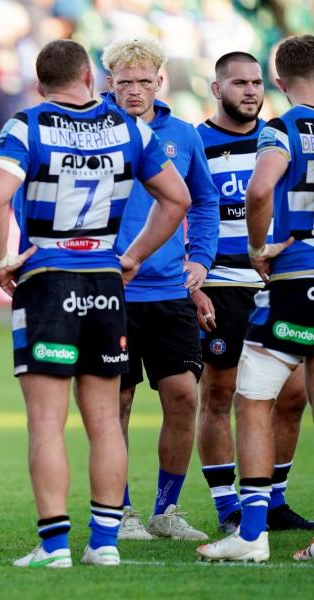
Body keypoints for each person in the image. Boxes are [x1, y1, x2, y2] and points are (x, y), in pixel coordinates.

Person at [0, 39, 191, 568]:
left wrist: (0, 258)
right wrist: (134, 255)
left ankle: (53, 547)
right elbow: (178, 200)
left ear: (38, 83)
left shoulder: (27, 126)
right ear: (91, 79)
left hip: (49, 275)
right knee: (103, 418)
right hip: (105, 275)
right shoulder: (129, 128)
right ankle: (105, 544)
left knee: (47, 422)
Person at [198, 34, 314, 563]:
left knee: (253, 397)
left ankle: (251, 534)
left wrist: (256, 247)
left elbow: (260, 191)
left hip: (295, 279)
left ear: (282, 82)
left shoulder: (281, 129)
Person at [100, 39, 219, 541]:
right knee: (116, 404)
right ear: (109, 83)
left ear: (159, 82)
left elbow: (205, 204)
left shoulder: (183, 135)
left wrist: (200, 260)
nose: (133, 90)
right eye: (123, 81)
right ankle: (120, 513)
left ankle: (165, 511)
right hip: (112, 291)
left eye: (142, 81)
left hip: (169, 292)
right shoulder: (94, 133)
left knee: (183, 397)